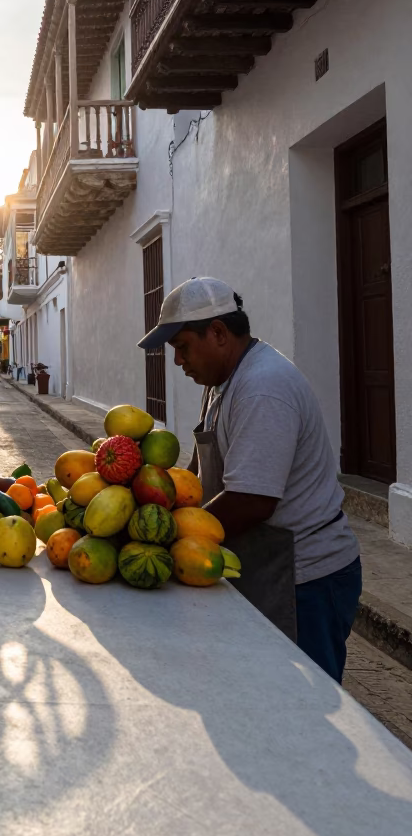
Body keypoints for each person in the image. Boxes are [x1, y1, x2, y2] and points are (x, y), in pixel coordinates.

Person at [139, 277, 361, 683]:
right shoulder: (221, 382)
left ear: (219, 334)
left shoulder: (263, 388)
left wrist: (169, 539)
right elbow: (198, 473)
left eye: (183, 348)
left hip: (307, 579)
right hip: (265, 563)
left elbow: (252, 500)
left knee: (305, 706)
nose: (178, 362)